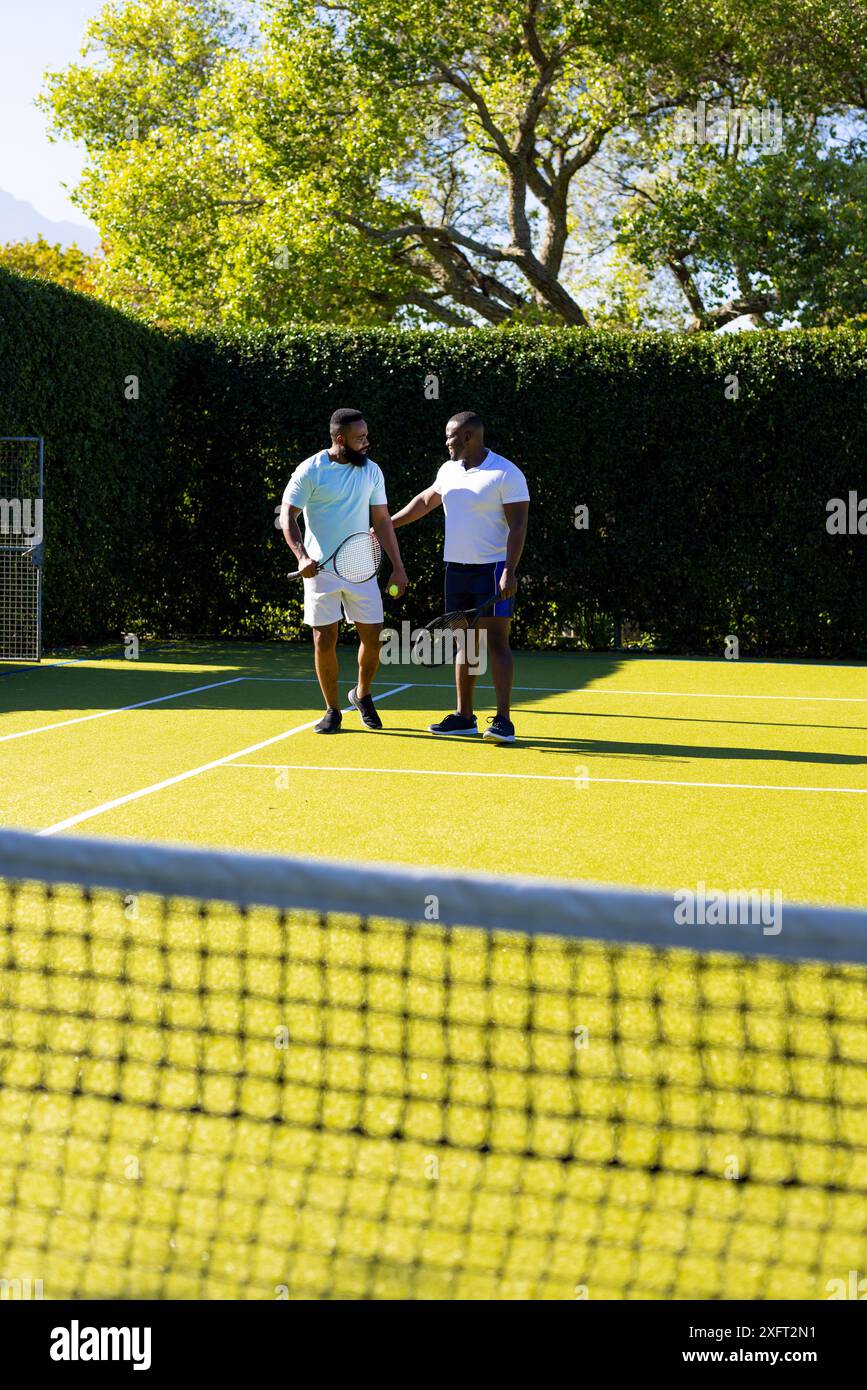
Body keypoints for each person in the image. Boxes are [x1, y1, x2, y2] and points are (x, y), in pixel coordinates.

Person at [390, 411, 529, 742]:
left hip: (493, 568)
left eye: (451, 437)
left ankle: (503, 721)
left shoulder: (505, 473)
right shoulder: (448, 470)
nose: (446, 442)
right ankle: (465, 717)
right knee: (465, 642)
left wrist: (509, 570)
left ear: (469, 437)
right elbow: (425, 502)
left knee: (496, 642)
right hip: (456, 568)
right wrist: (385, 525)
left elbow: (519, 525)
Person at [280, 408, 407, 733]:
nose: (366, 442)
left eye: (366, 435)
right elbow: (288, 517)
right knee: (325, 638)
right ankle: (332, 709)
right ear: (340, 440)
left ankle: (362, 694)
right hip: (319, 572)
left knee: (374, 637)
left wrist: (398, 566)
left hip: (361, 567)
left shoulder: (372, 471)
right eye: (359, 437)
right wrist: (302, 556)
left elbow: (381, 520)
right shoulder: (311, 470)